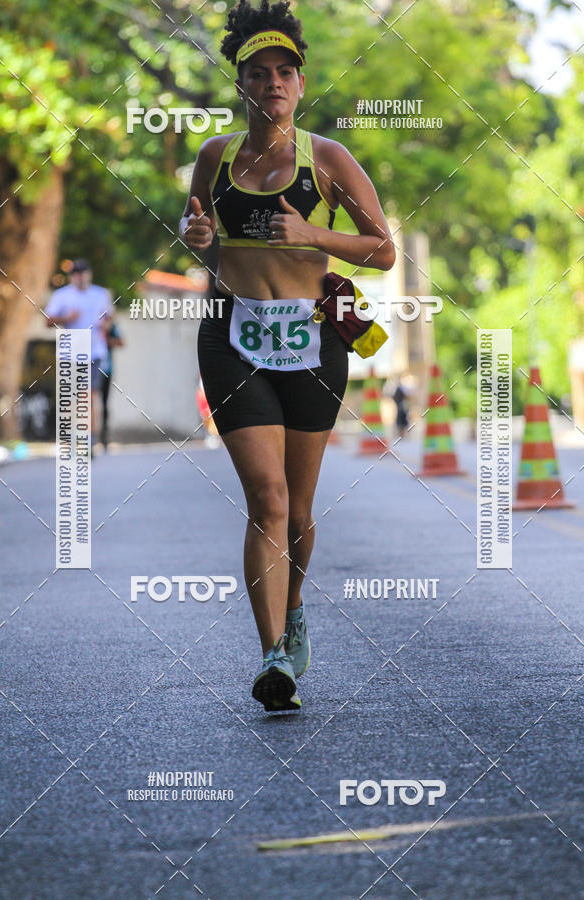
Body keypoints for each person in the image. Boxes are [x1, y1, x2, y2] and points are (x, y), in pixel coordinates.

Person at [180, 0, 395, 712]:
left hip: (310, 340)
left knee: (299, 511)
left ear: (301, 86)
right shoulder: (214, 159)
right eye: (258, 72)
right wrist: (199, 241)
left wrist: (313, 233)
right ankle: (274, 657)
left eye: (285, 72)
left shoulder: (327, 159)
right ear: (239, 84)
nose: (273, 82)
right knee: (266, 499)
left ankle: (293, 605)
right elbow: (199, 236)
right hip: (232, 337)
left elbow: (384, 250)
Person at [45, 259, 114, 448]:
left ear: (89, 274)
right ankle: (69, 439)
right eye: (76, 273)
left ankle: (89, 439)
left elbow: (109, 317)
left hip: (93, 352)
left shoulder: (101, 294)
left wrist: (105, 325)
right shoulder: (62, 295)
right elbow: (48, 321)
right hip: (70, 353)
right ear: (71, 276)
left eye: (83, 273)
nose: (80, 277)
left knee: (87, 395)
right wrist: (67, 318)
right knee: (69, 397)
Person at [99, 321, 125, 450]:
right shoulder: (88, 321)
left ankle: (104, 438)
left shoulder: (112, 326)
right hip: (89, 369)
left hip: (106, 370)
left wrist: (104, 340)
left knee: (104, 404)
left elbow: (121, 342)